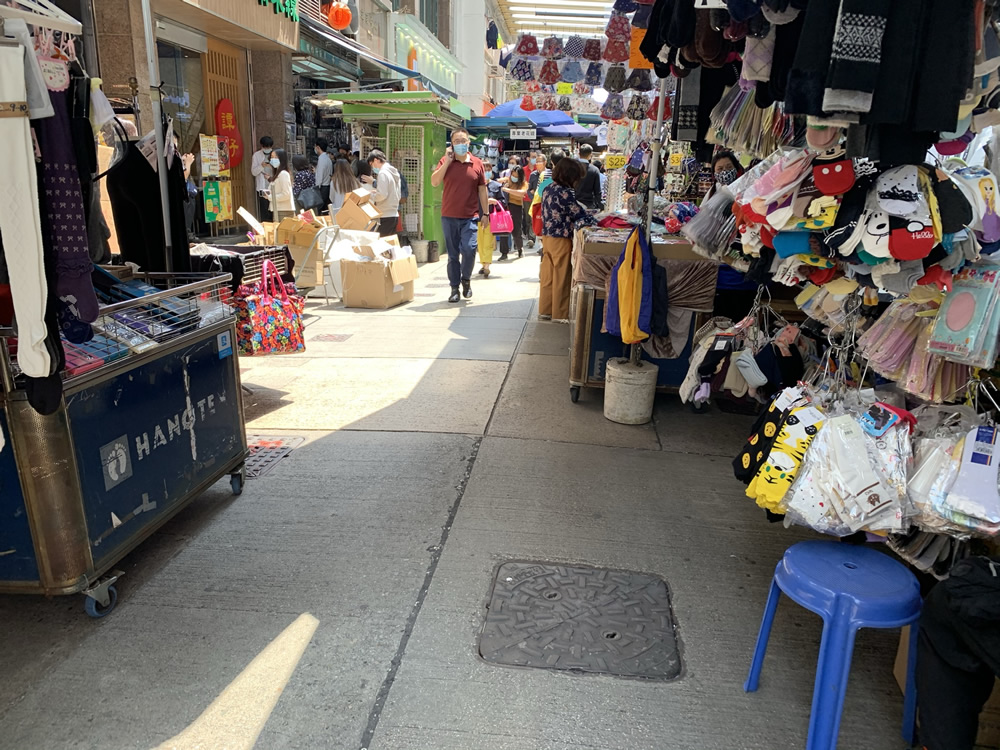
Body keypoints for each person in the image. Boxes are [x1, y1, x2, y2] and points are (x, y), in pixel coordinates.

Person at [431, 127, 488, 303]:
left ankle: (466, 280)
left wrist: (486, 213)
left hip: (470, 216)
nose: (460, 144)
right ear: (451, 144)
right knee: (453, 255)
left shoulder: (477, 163)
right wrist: (447, 161)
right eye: (456, 141)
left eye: (463, 141)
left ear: (468, 142)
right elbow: (434, 182)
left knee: (470, 250)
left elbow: (482, 190)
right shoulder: (445, 161)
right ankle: (454, 288)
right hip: (449, 216)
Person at [540, 158, 594, 322]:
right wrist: (596, 218)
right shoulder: (565, 192)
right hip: (561, 238)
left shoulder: (548, 188)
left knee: (548, 275)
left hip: (547, 236)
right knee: (562, 276)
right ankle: (560, 314)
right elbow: (578, 214)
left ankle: (546, 309)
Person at [361, 149, 401, 237]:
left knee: (382, 245)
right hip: (393, 213)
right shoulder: (393, 172)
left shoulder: (383, 173)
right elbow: (392, 192)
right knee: (389, 245)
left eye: (371, 164)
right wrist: (376, 192)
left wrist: (369, 195)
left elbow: (382, 195)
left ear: (376, 160)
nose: (372, 168)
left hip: (385, 215)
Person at [501, 164, 528, 259]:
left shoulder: (524, 184)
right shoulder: (508, 180)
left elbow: (521, 193)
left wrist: (507, 190)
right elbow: (498, 181)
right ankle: (504, 253)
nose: (514, 177)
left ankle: (520, 248)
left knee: (517, 230)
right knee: (503, 230)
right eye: (513, 175)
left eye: (516, 176)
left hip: (517, 207)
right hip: (506, 206)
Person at [250, 135, 275, 221]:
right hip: (263, 188)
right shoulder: (256, 155)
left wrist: (272, 166)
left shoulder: (275, 154)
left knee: (274, 211)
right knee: (264, 210)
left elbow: (280, 169)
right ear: (262, 146)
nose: (267, 149)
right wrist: (261, 166)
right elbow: (253, 172)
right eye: (265, 147)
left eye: (269, 147)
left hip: (273, 186)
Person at [268, 148, 295, 222]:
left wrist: (270, 197)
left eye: (276, 157)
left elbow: (286, 194)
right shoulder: (278, 174)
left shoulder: (283, 174)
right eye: (272, 157)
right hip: (278, 209)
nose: (273, 159)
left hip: (283, 210)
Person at [575, 144, 604, 210]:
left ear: (579, 154)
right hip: (588, 205)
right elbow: (597, 191)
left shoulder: (572, 168)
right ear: (590, 155)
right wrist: (599, 205)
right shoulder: (594, 170)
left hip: (574, 204)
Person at [314, 138, 333, 212]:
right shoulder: (327, 158)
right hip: (327, 186)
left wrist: (316, 188)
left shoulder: (322, 159)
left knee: (319, 209)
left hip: (322, 187)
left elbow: (320, 176)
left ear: (318, 147)